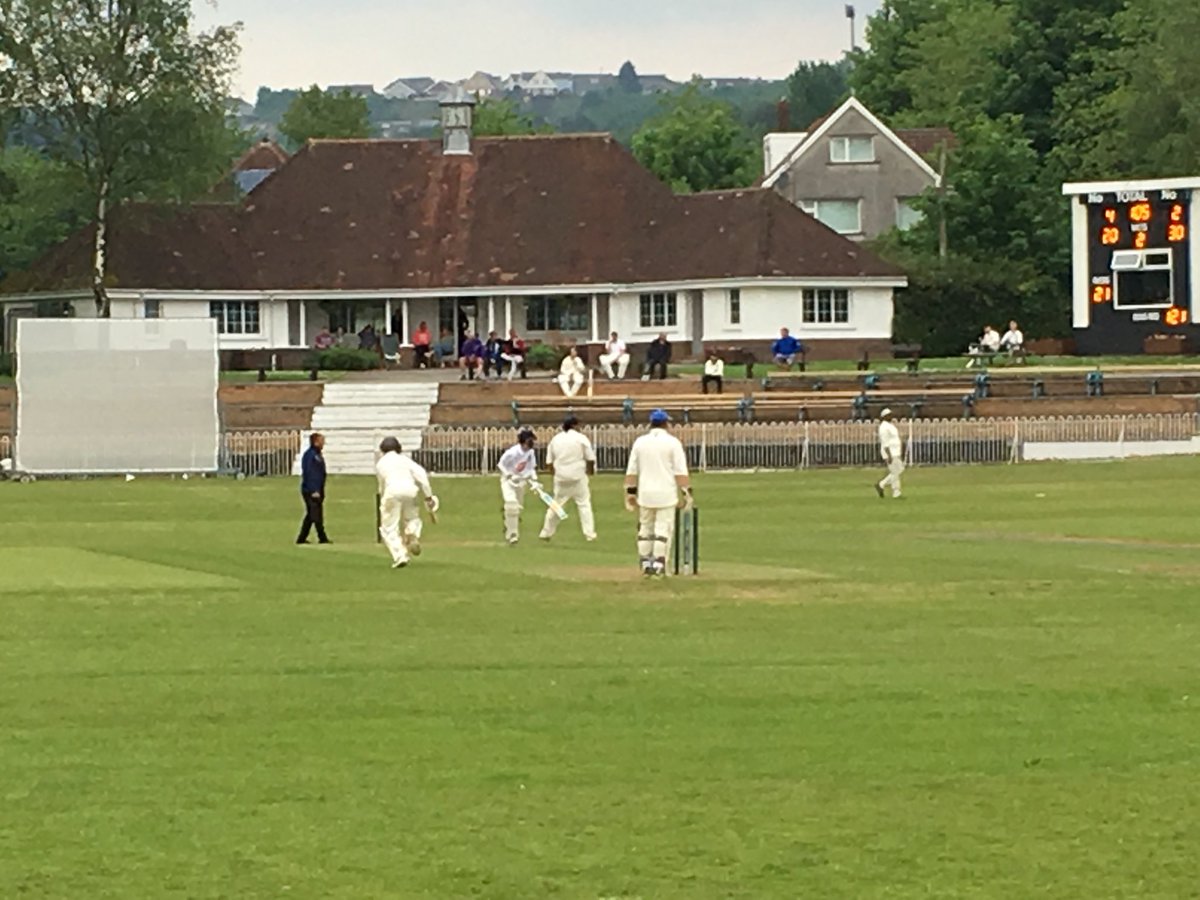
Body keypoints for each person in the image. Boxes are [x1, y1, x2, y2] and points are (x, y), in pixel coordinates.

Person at [625, 409, 692, 577]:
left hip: (646, 494)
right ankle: (659, 566)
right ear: (665, 424)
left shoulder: (640, 442)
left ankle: (646, 565)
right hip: (666, 494)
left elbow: (632, 471)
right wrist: (687, 493)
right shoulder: (672, 443)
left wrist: (630, 493)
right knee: (663, 528)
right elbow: (680, 472)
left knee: (645, 529)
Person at [375, 437, 438, 569]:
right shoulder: (405, 460)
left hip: (392, 492)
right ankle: (412, 532)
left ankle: (400, 555)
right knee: (412, 518)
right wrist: (428, 496)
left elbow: (381, 485)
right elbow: (422, 476)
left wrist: (382, 498)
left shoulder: (381, 463)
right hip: (410, 490)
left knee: (388, 528)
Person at [539, 415, 597, 543]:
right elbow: (590, 458)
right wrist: (590, 472)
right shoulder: (581, 438)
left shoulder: (556, 439)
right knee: (584, 505)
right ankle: (589, 534)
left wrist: (555, 474)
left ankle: (546, 532)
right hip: (578, 477)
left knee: (556, 505)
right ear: (574, 425)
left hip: (561, 478)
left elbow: (549, 462)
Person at [498, 428, 539, 545]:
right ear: (524, 441)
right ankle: (512, 535)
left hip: (521, 482)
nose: (531, 443)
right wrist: (508, 475)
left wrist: (535, 481)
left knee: (517, 509)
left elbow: (531, 468)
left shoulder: (530, 452)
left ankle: (508, 522)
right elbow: (501, 464)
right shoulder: (512, 452)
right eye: (530, 441)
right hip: (508, 482)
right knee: (512, 505)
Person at [296, 432, 332, 545]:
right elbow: (310, 474)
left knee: (311, 515)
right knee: (316, 515)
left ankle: (301, 538)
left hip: (317, 489)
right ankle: (322, 537)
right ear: (316, 441)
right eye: (322, 441)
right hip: (311, 490)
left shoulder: (317, 455)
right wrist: (314, 490)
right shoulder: (310, 455)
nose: (323, 443)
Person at [875, 408, 904, 500]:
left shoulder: (889, 425)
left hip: (895, 451)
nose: (892, 416)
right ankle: (896, 492)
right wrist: (889, 455)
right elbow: (885, 442)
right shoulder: (883, 427)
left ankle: (881, 484)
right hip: (890, 452)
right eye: (889, 415)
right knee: (895, 472)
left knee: (899, 470)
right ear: (885, 417)